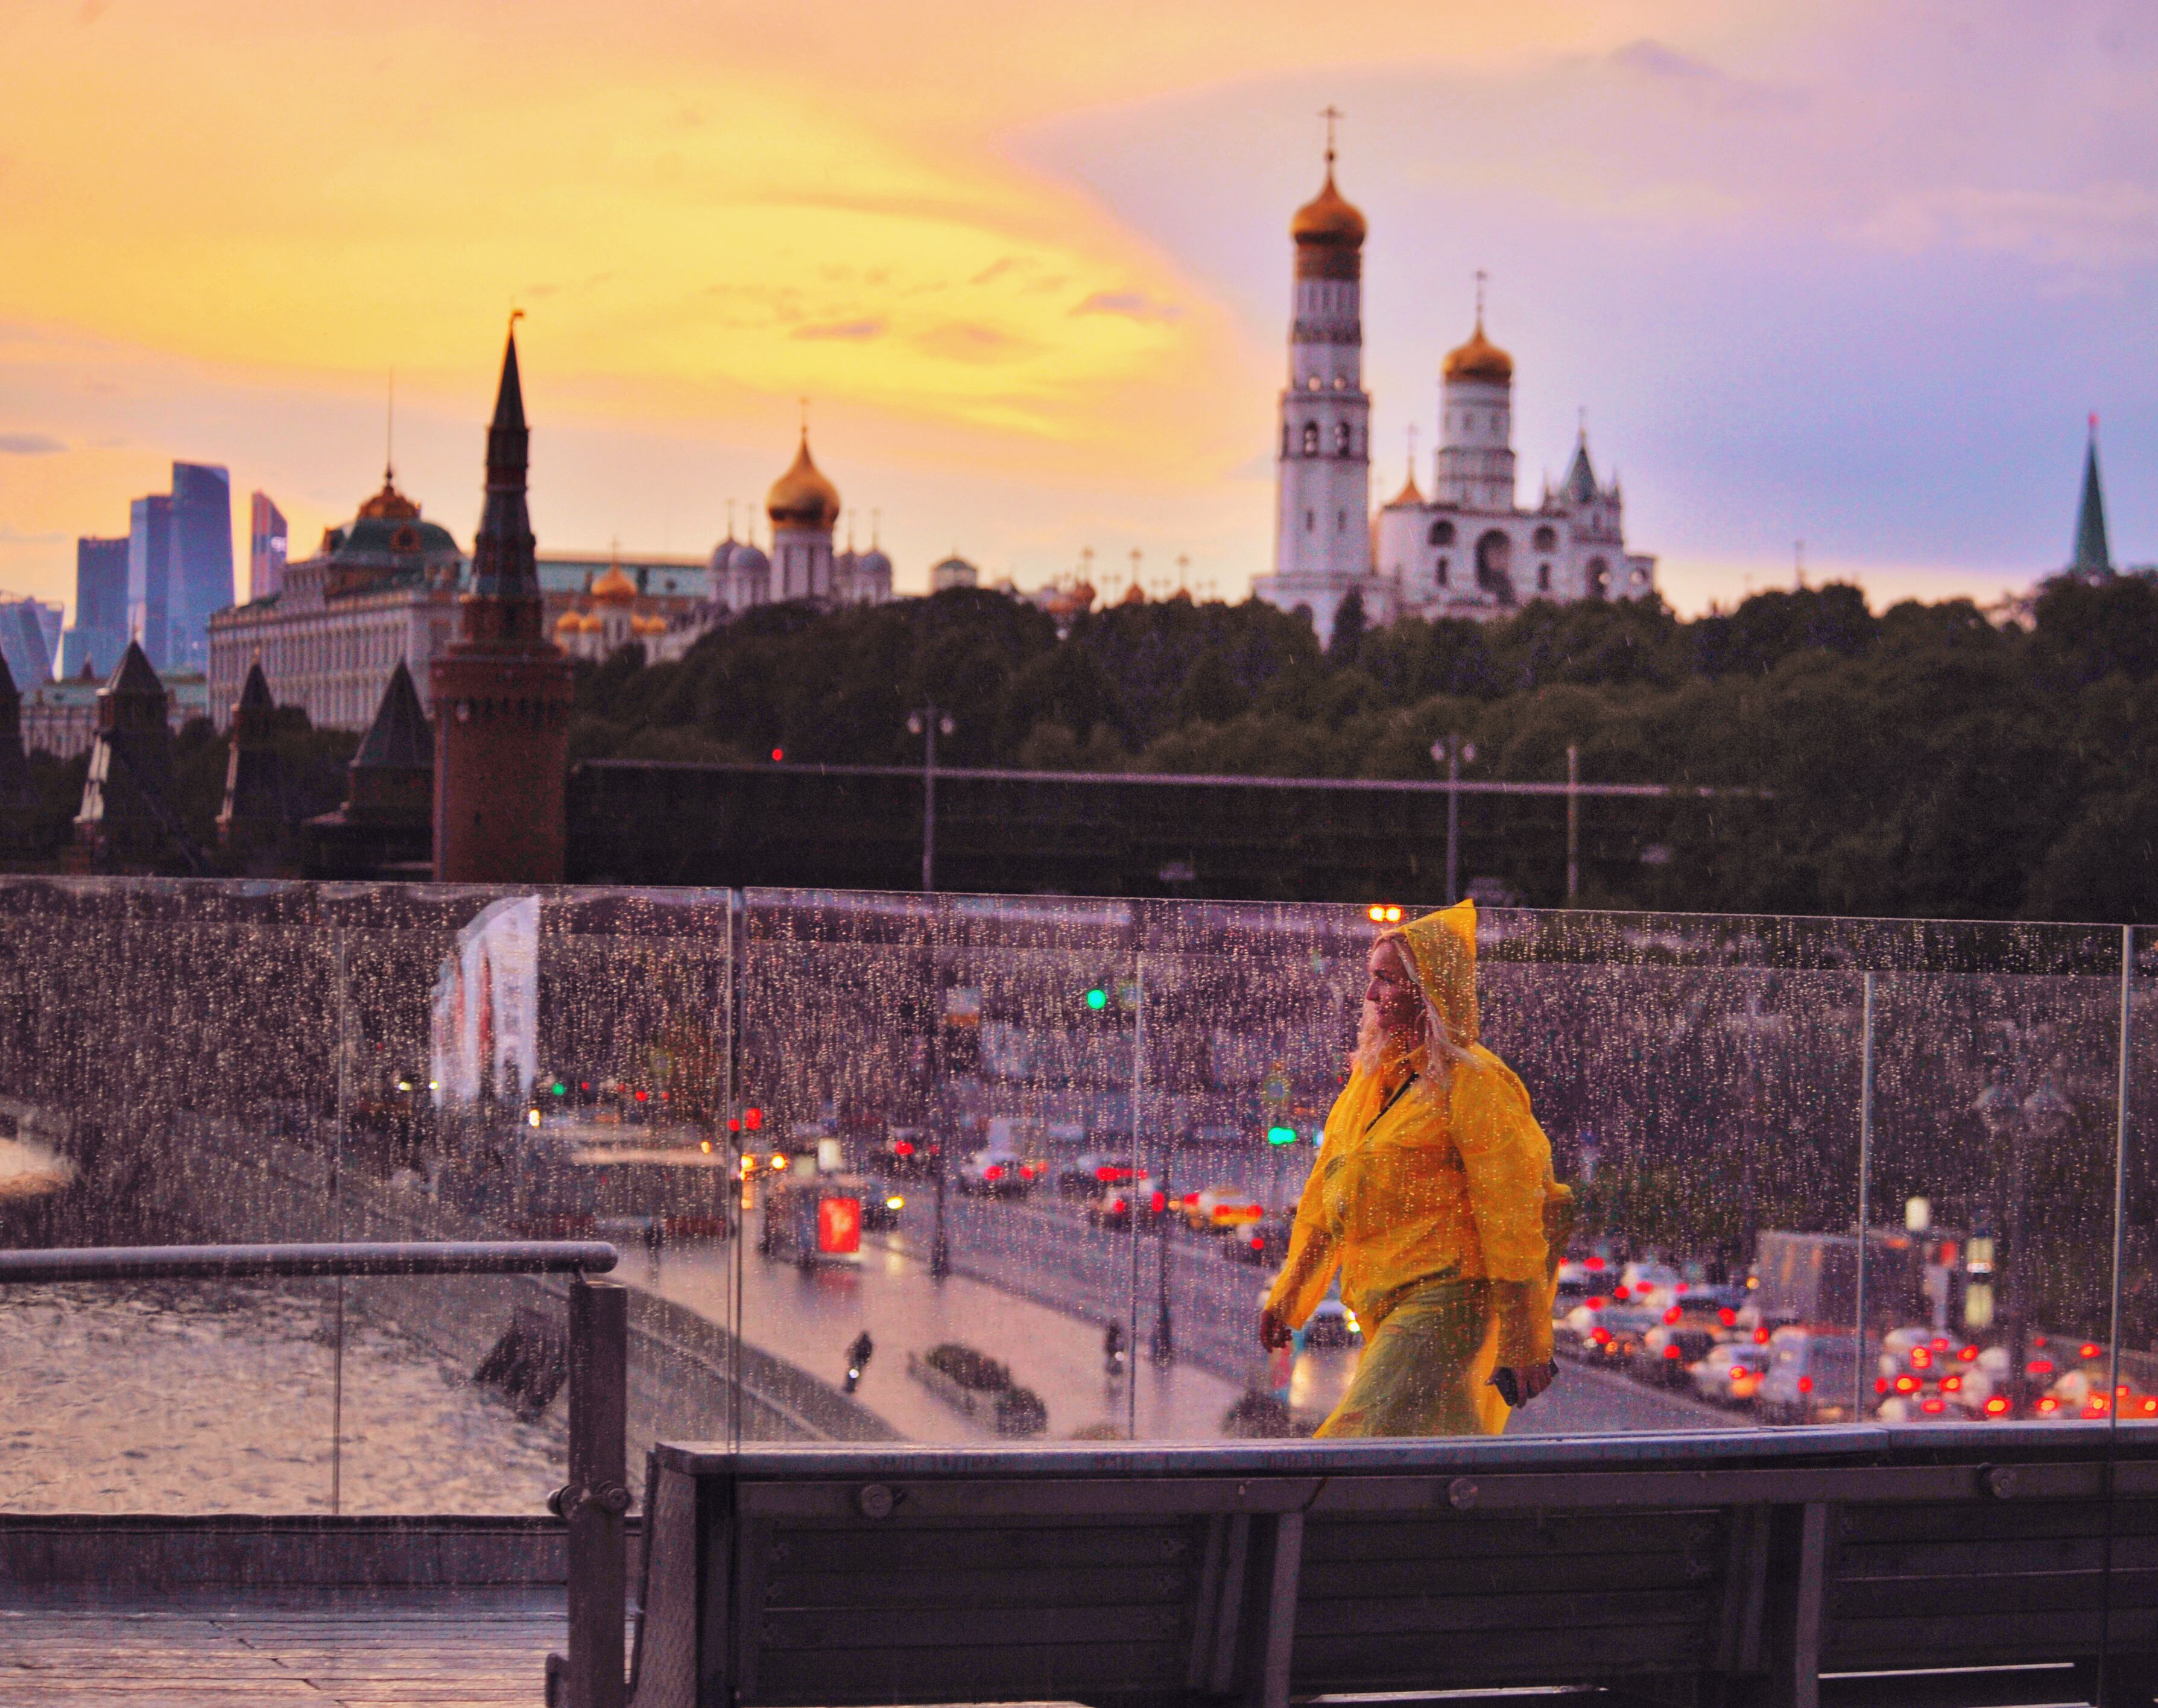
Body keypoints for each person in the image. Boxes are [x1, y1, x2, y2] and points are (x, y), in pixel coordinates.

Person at [1259, 900, 1573, 1437]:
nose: (1370, 995)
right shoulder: (1373, 1084)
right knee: (1441, 1443)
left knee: (1357, 1437)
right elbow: (1326, 1196)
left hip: (1448, 1299)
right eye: (1371, 979)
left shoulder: (1476, 1086)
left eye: (1386, 981)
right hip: (1386, 1302)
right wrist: (1289, 1297)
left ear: (1428, 989)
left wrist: (1524, 1342)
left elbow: (1512, 1217)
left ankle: (1285, 1519)